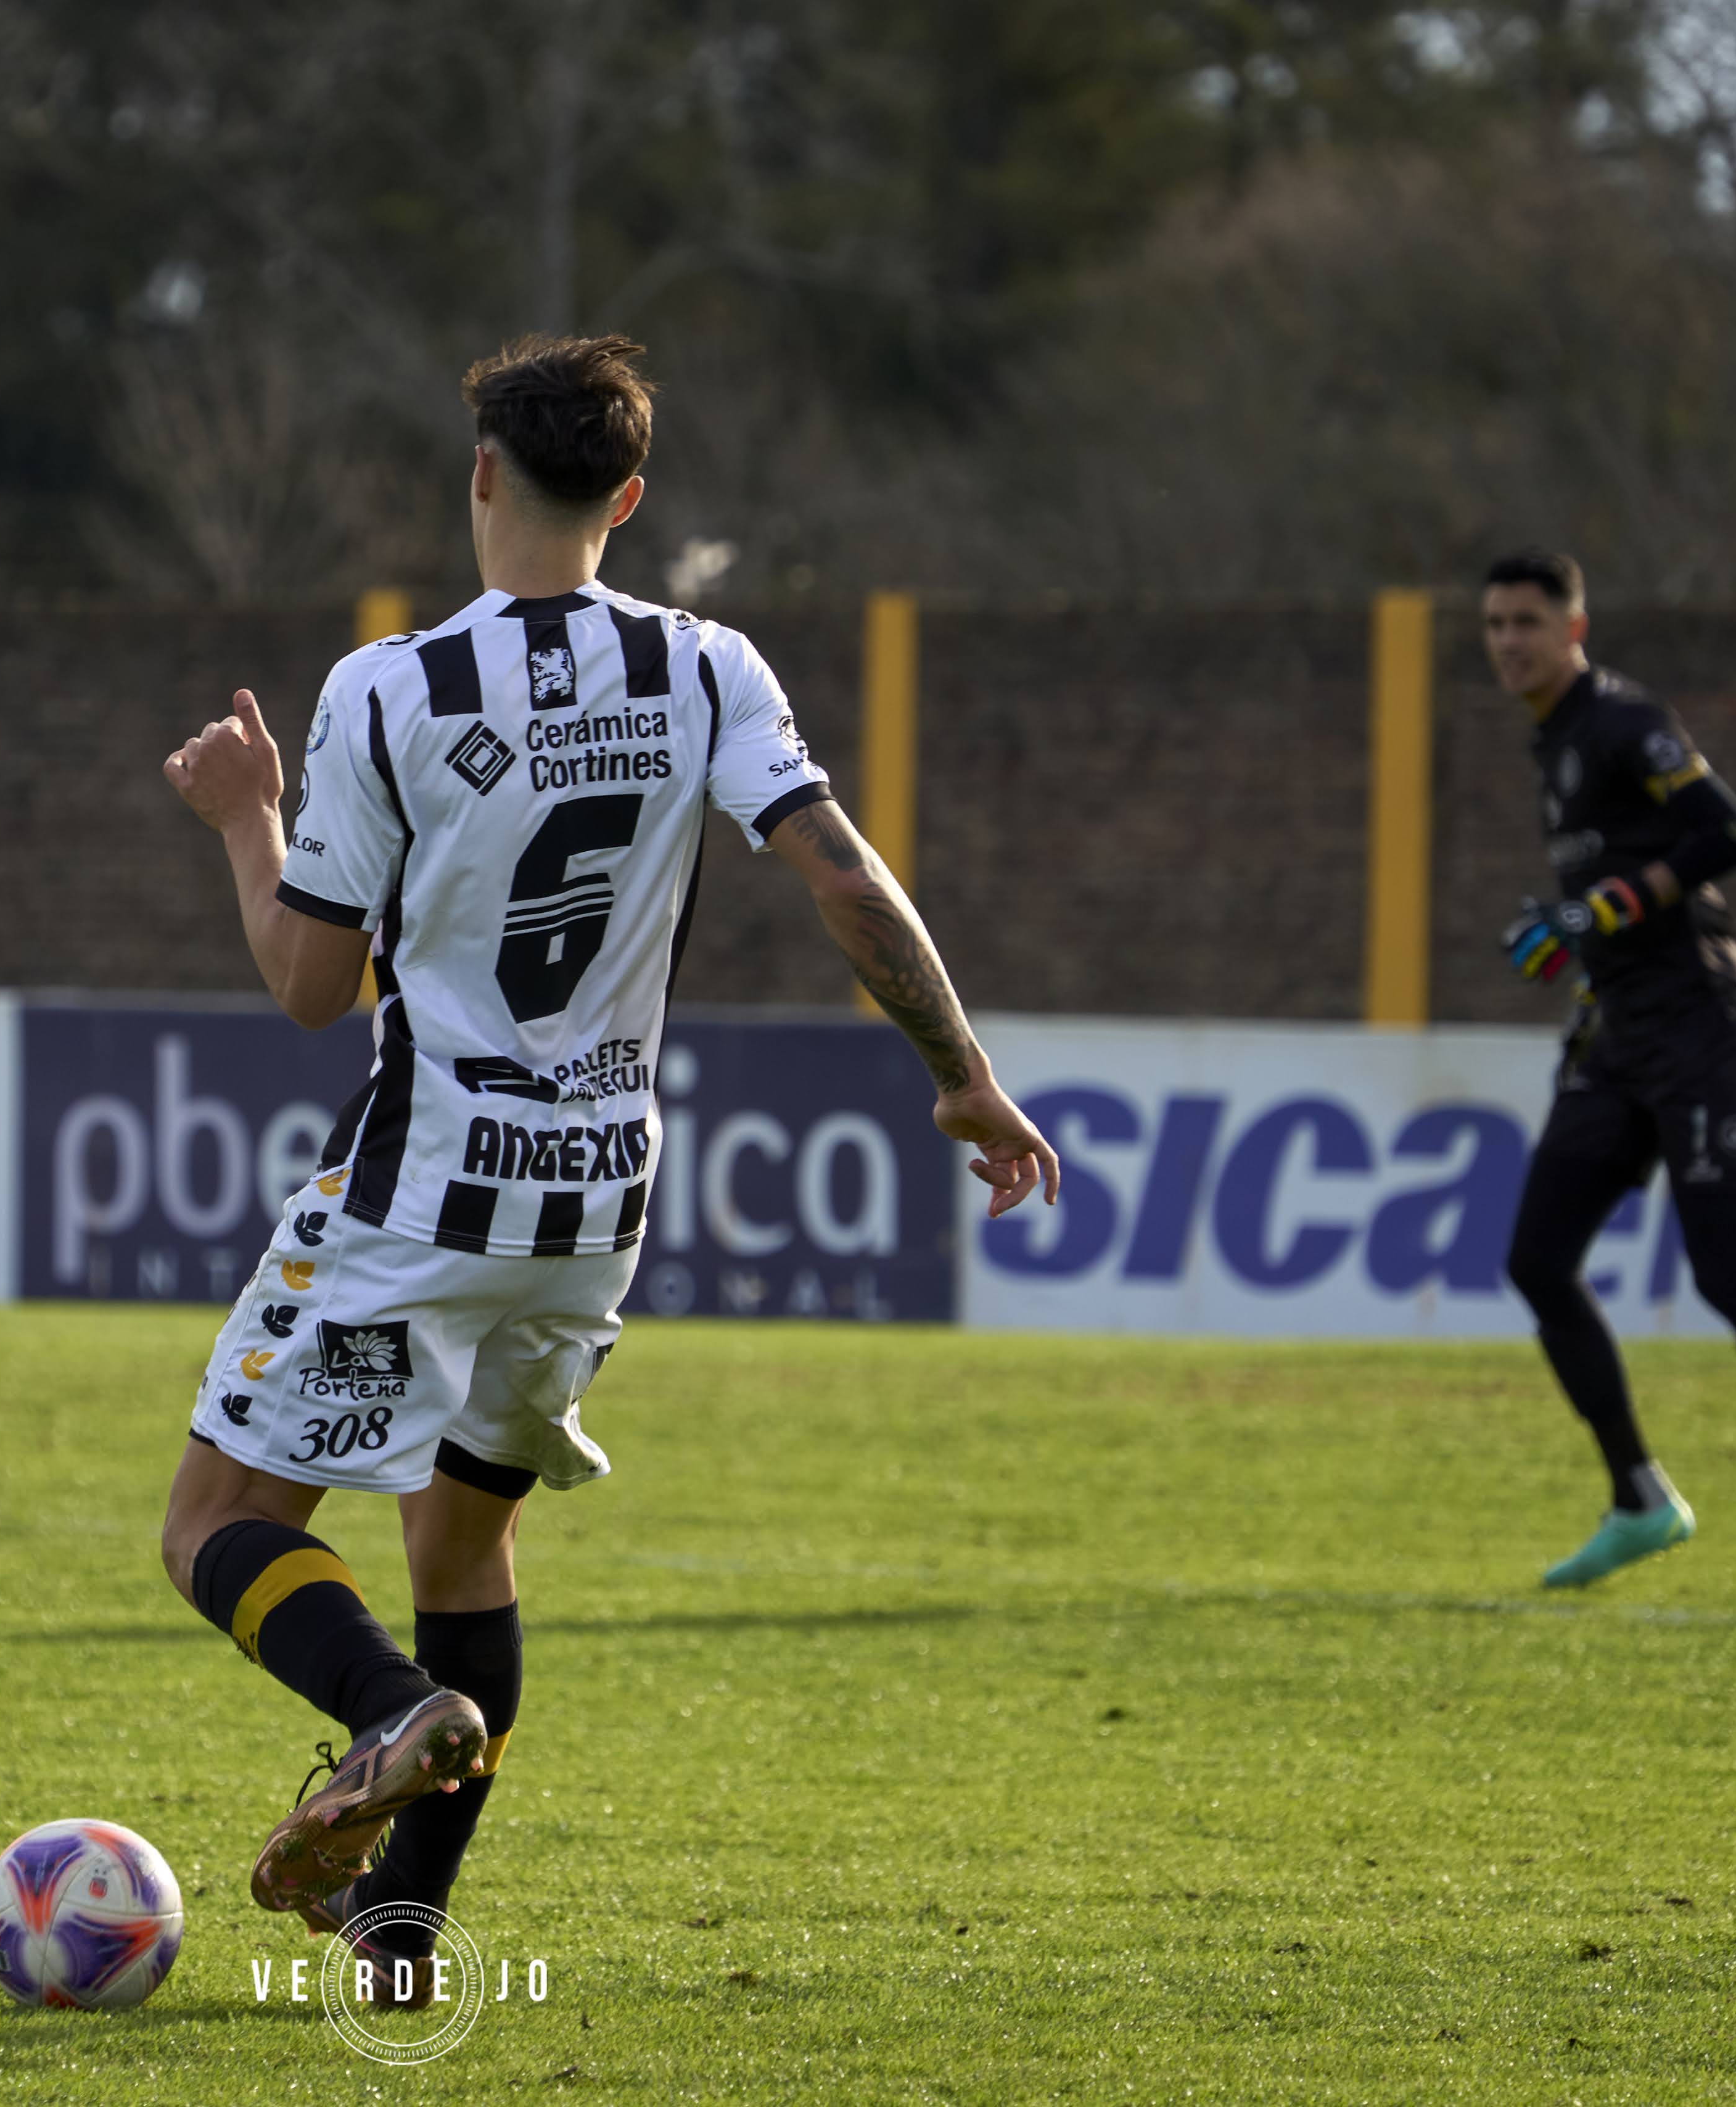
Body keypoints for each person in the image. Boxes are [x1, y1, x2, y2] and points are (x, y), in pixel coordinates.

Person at [155, 334, 1060, 2000]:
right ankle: (403, 1934)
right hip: (595, 1201)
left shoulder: (390, 688)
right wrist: (966, 1077)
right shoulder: (710, 669)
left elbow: (308, 993)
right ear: (628, 498)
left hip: (421, 1186)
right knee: (461, 1550)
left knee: (215, 1520)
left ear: (481, 474)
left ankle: (385, 1714)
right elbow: (843, 879)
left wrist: (241, 819)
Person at [1487, 548, 1736, 1602]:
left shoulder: (1622, 722)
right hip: (1617, 1034)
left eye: (1527, 623)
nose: (1508, 642)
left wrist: (1603, 911)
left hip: (1698, 1025)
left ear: (1574, 630)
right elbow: (1611, 893)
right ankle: (1639, 1497)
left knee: (1728, 1274)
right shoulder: (1551, 742)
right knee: (1538, 1260)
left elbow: (1728, 831)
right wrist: (1568, 941)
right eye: (1495, 624)